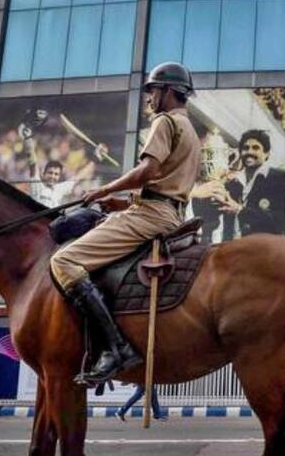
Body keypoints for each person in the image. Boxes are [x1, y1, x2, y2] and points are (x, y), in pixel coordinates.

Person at [49, 62, 202, 387]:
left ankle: (116, 348)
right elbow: (166, 187)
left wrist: (105, 189)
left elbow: (148, 172)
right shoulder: (191, 131)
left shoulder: (165, 121)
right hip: (168, 213)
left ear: (170, 92)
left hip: (152, 216)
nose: (150, 98)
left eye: (154, 91)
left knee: (64, 260)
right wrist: (122, 203)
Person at [226, 130, 285, 237]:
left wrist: (240, 211)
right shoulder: (232, 183)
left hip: (263, 249)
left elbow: (279, 221)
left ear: (266, 154)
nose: (250, 152)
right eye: (245, 148)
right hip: (233, 248)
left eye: (256, 148)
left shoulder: (279, 178)